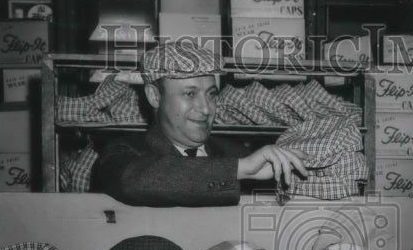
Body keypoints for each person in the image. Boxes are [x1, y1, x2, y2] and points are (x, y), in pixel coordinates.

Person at [94, 42, 307, 207]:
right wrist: (241, 169)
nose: (206, 109)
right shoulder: (122, 152)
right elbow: (135, 180)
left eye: (211, 95)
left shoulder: (236, 152)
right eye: (190, 94)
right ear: (154, 96)